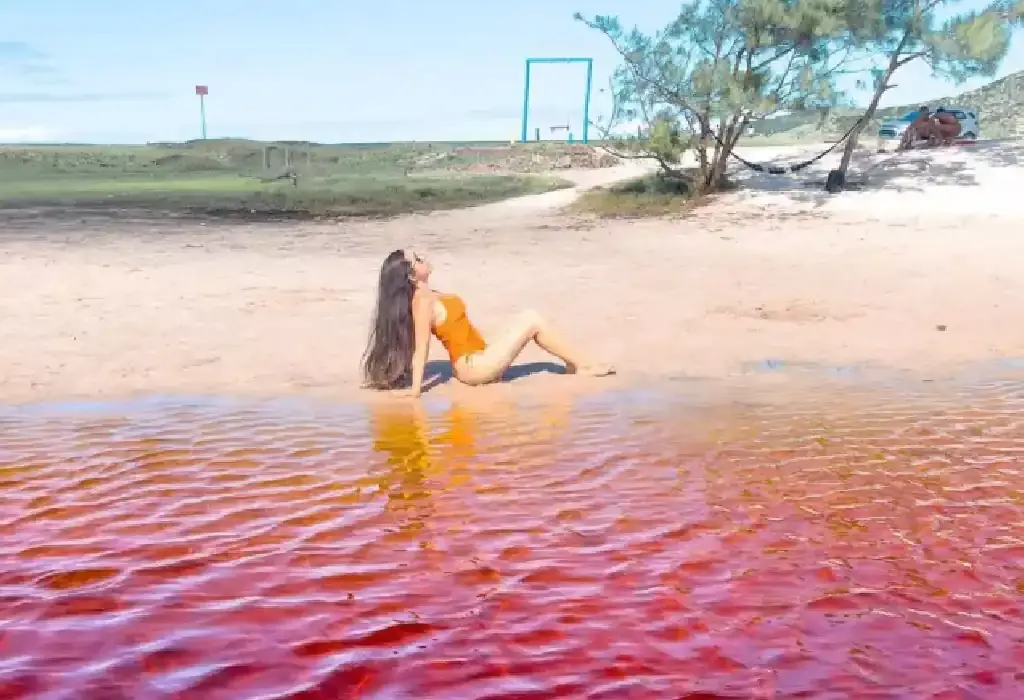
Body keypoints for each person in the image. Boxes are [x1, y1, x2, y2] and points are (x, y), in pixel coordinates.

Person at [361, 249, 615, 396]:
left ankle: (576, 364)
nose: (423, 258)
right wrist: (416, 390)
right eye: (417, 259)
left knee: (527, 317)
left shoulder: (430, 294)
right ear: (412, 276)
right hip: (474, 368)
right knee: (532, 319)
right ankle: (581, 366)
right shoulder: (422, 303)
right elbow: (422, 347)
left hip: (480, 357)